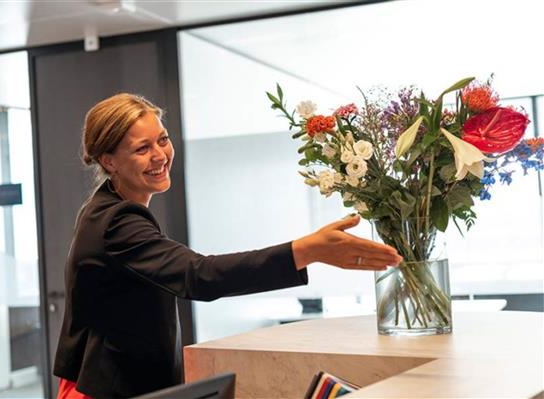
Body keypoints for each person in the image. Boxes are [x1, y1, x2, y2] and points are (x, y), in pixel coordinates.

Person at [53, 93, 402, 398]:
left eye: (162, 139)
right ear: (108, 161)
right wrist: (308, 250)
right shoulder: (117, 222)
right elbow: (199, 275)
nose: (160, 155)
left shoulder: (108, 208)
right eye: (142, 148)